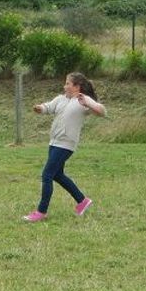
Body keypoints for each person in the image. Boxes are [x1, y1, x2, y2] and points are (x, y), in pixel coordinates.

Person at [23, 72, 106, 223]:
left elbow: (101, 111)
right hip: (54, 142)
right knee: (57, 175)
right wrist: (40, 108)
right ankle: (82, 201)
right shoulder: (61, 99)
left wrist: (89, 103)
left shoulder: (83, 100)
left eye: (68, 83)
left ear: (77, 86)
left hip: (66, 144)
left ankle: (41, 212)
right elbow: (48, 107)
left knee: (47, 175)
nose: (65, 86)